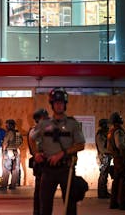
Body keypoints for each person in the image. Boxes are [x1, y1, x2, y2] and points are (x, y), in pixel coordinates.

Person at [32, 87, 85, 215]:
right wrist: (36, 153)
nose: (59, 105)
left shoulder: (73, 124)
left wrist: (62, 153)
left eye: (61, 102)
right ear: (52, 105)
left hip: (66, 169)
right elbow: (32, 138)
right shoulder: (44, 124)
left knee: (70, 207)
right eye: (56, 103)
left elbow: (81, 145)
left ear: (65, 105)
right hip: (48, 170)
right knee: (45, 206)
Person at [28, 108, 49, 215]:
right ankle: (37, 212)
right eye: (44, 118)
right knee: (40, 190)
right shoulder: (35, 131)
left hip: (47, 162)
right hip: (40, 162)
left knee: (45, 191)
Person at [0, 119, 23, 191]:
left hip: (9, 151)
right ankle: (13, 185)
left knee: (6, 169)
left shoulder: (9, 132)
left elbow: (5, 142)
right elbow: (20, 142)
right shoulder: (17, 132)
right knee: (15, 169)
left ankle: (4, 185)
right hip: (16, 151)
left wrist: (3, 152)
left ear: (9, 125)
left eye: (7, 124)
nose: (6, 126)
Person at [95, 118, 112, 199]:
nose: (108, 126)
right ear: (103, 125)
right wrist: (111, 151)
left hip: (106, 156)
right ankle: (102, 194)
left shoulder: (104, 133)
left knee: (104, 175)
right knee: (103, 175)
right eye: (107, 124)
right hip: (104, 156)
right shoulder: (100, 134)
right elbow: (102, 148)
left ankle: (104, 192)